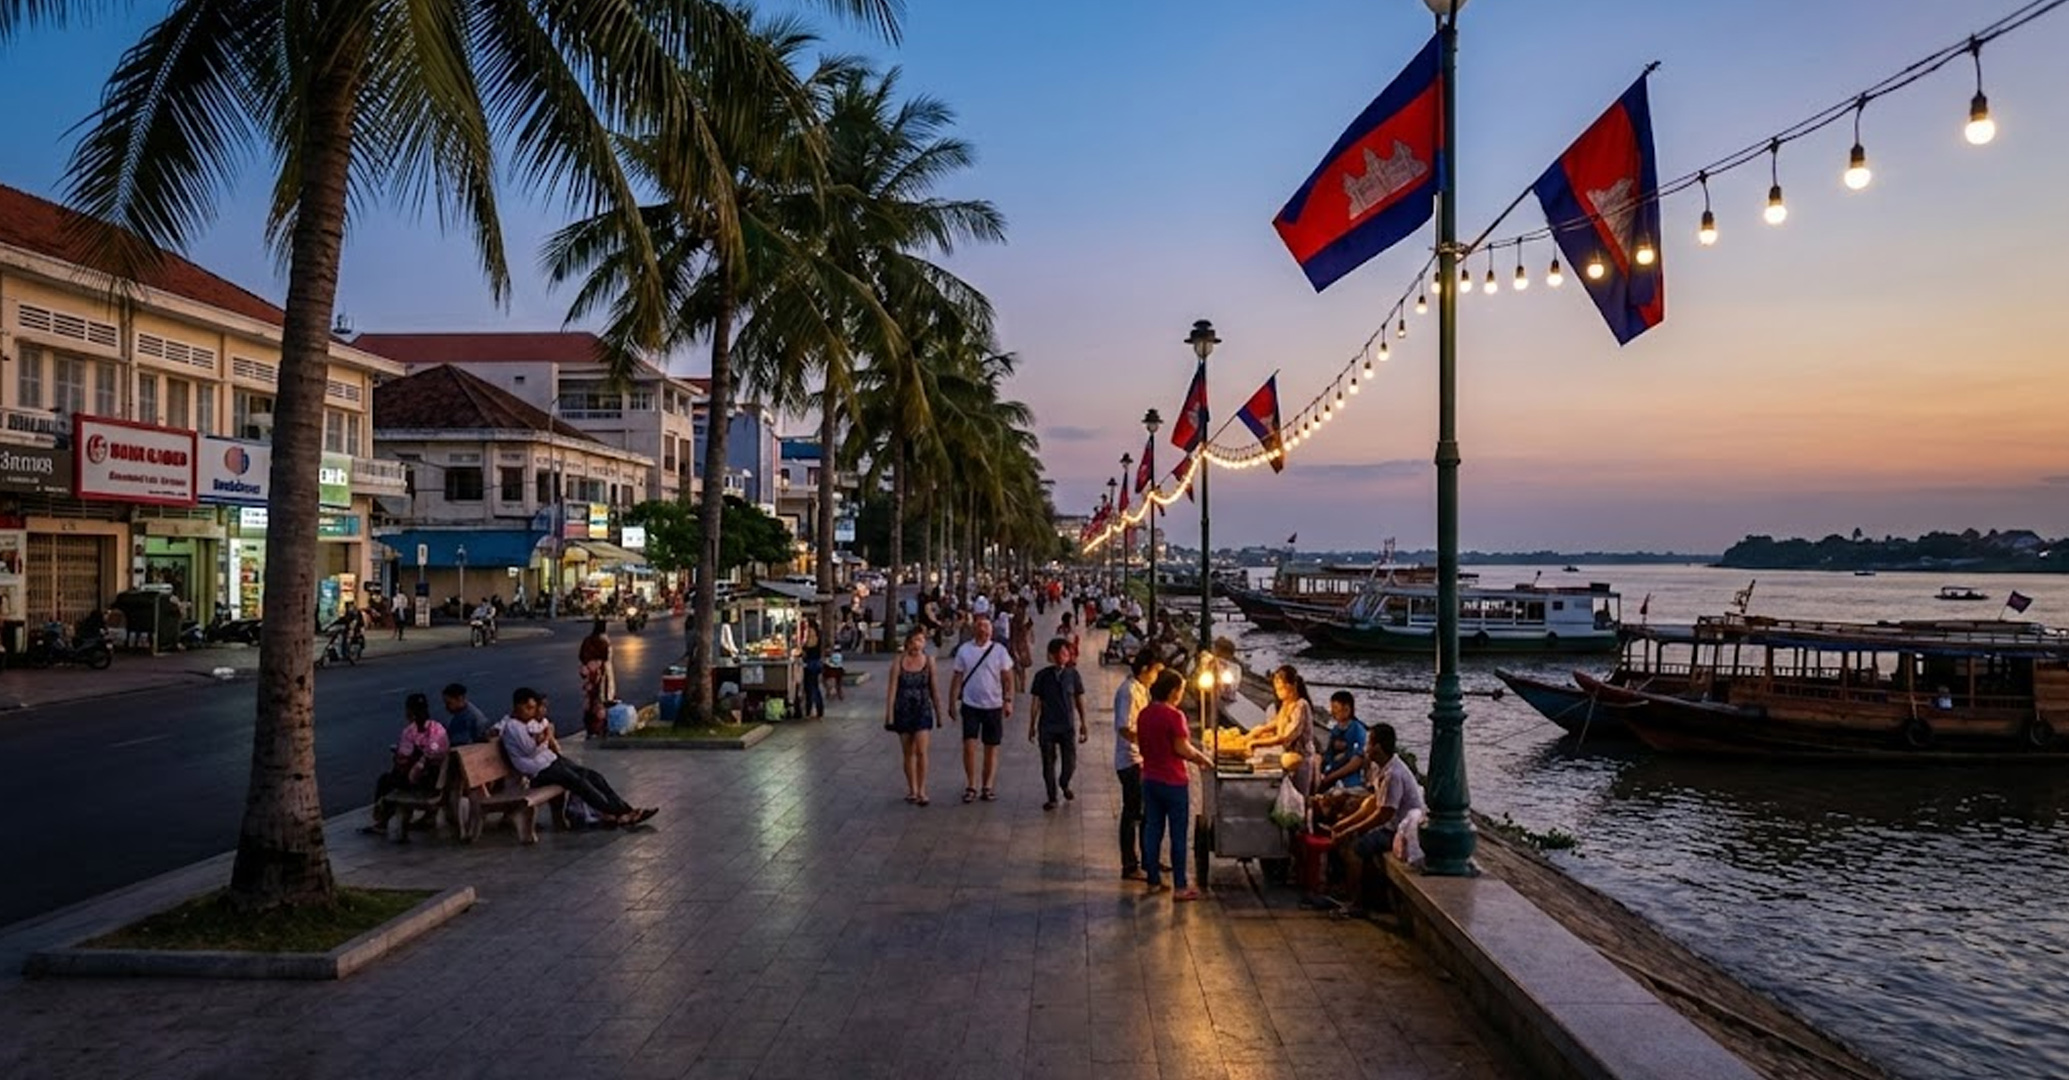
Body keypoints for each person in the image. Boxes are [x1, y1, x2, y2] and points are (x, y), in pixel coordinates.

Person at [498, 686, 655, 827]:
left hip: (551, 761)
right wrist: (544, 737)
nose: (531, 712)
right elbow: (530, 751)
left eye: (532, 708)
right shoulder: (513, 727)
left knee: (593, 777)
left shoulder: (529, 722)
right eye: (528, 708)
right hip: (539, 772)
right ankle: (619, 814)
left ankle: (626, 809)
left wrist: (543, 737)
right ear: (517, 707)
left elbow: (543, 736)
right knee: (579, 783)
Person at [1329, 722, 1425, 918]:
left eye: (1367, 745)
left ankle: (1357, 902)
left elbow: (1384, 814)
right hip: (1388, 822)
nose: (1364, 749)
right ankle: (1347, 887)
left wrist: (1351, 830)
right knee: (1347, 830)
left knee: (1356, 848)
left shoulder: (1394, 774)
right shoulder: (1377, 767)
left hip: (1399, 829)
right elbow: (1373, 802)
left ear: (1378, 748)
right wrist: (1345, 824)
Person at [1137, 669, 1217, 900]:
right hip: (1173, 782)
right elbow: (1182, 748)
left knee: (1152, 830)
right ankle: (1180, 886)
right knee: (1178, 835)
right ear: (1173, 691)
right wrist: (1202, 759)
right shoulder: (1174, 716)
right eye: (1181, 689)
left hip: (1150, 779)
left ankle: (1153, 879)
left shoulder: (1145, 714)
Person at [948, 611, 1017, 803]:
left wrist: (1008, 699)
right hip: (971, 705)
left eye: (987, 626)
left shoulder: (999, 651)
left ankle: (987, 785)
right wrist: (952, 701)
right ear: (974, 629)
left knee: (991, 747)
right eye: (980, 626)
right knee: (969, 745)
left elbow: (1007, 676)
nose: (984, 630)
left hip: (993, 705)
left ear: (992, 630)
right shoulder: (965, 650)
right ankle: (971, 784)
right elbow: (957, 676)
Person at [363, 692, 448, 834]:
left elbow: (404, 756)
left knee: (385, 781)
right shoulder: (438, 728)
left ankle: (382, 821)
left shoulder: (410, 731)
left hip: (421, 780)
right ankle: (427, 817)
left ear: (410, 712)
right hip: (439, 779)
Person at [1113, 650, 1163, 880]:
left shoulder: (1142, 690)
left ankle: (1149, 858)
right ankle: (1129, 864)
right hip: (1131, 759)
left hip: (1142, 758)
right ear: (1145, 669)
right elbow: (1124, 726)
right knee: (1133, 812)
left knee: (1146, 813)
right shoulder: (1129, 692)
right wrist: (1147, 741)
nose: (1156, 676)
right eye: (1155, 671)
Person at [1026, 637, 1089, 811]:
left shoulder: (1073, 675)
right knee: (1048, 761)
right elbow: (1036, 701)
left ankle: (1064, 782)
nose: (1064, 656)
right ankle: (1052, 796)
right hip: (1047, 725)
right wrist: (1031, 725)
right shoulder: (1042, 676)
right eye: (1061, 653)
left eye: (1066, 653)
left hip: (1067, 725)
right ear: (1052, 655)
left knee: (1070, 762)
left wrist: (1084, 722)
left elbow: (1079, 699)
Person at [886, 629, 944, 805]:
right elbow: (892, 689)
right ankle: (912, 788)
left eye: (922, 640)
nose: (919, 643)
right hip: (903, 709)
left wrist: (939, 713)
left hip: (922, 708)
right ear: (909, 642)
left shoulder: (929, 662)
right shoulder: (899, 662)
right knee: (908, 751)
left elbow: (934, 688)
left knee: (921, 750)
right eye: (916, 640)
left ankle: (922, 789)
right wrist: (889, 714)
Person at [1248, 664, 1318, 791]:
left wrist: (1256, 742)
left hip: (1301, 760)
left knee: (1299, 797)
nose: (1278, 692)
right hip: (1287, 758)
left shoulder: (1301, 706)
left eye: (1280, 688)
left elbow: (1285, 736)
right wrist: (1260, 730)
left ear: (1291, 686)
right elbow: (1276, 723)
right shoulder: (1286, 704)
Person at [1312, 691, 1370, 823]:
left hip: (1351, 782)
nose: (1333, 713)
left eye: (1336, 710)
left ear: (1347, 709)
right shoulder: (1335, 730)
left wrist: (1331, 777)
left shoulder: (1358, 730)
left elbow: (1357, 761)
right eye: (1332, 709)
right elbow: (1329, 755)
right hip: (1333, 775)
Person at [579, 618, 614, 738]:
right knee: (601, 702)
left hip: (589, 677)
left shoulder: (587, 640)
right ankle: (600, 729)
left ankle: (590, 730)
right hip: (600, 676)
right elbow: (607, 657)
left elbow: (581, 656)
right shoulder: (603, 641)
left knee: (589, 702)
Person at [441, 682, 489, 746]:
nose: (446, 707)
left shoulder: (477, 720)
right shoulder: (455, 713)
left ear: (459, 699)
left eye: (449, 703)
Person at [799, 615, 825, 719]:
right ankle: (815, 710)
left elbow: (809, 645)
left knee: (811, 687)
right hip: (815, 662)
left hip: (811, 662)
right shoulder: (817, 632)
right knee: (812, 686)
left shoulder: (811, 632)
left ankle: (814, 710)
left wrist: (803, 648)